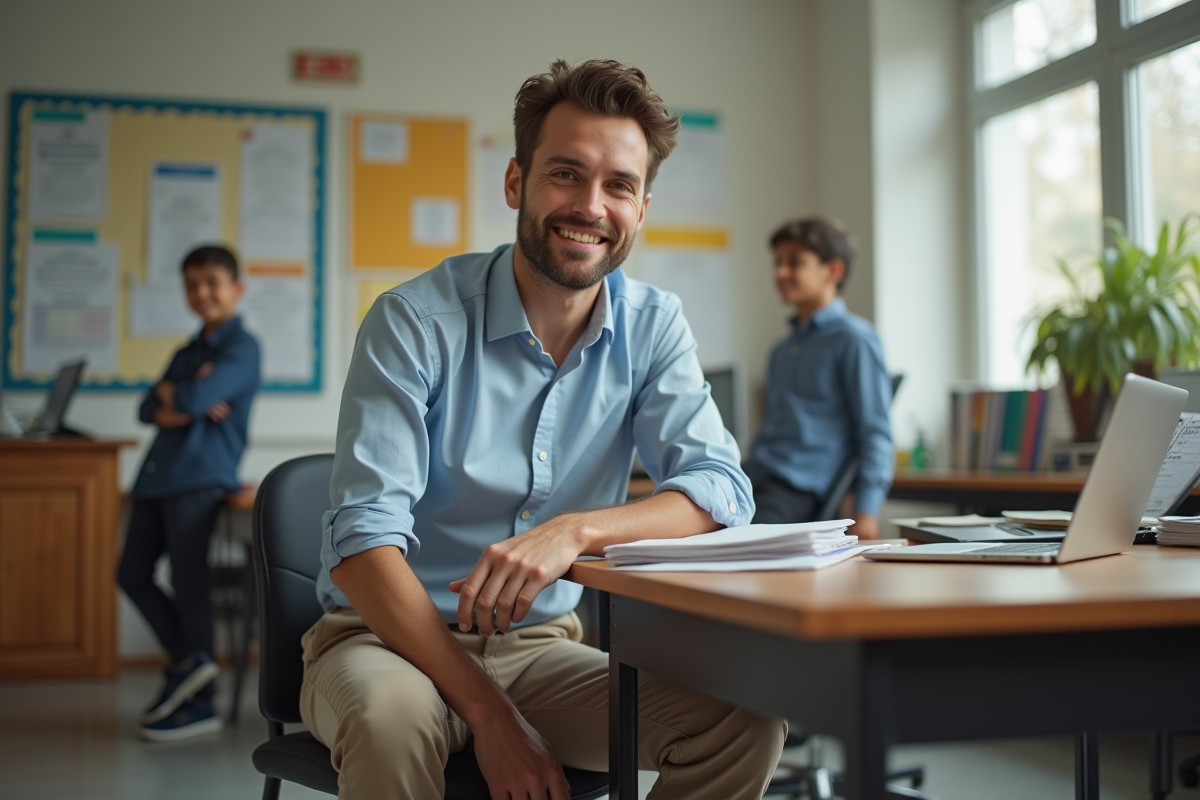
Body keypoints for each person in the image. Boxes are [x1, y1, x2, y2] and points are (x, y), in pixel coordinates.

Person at [304, 60, 786, 800]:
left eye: (618, 185)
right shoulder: (414, 321)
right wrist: (491, 716)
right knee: (391, 721)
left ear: (642, 207)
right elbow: (363, 546)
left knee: (744, 723)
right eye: (566, 174)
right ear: (515, 184)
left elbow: (719, 490)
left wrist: (574, 532)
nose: (590, 205)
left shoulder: (654, 326)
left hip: (537, 653)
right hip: (386, 643)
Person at [117, 245, 261, 742]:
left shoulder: (243, 348)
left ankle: (201, 702)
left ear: (236, 289)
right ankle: (190, 661)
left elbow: (196, 398)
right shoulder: (187, 351)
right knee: (130, 573)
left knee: (188, 579)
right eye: (192, 284)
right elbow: (144, 406)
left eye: (212, 283)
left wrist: (181, 395)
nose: (202, 293)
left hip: (200, 477)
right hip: (157, 477)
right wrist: (178, 396)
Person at [744, 217, 894, 537]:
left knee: (729, 547)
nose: (780, 273)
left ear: (833, 271)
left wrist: (866, 511)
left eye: (795, 263)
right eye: (778, 262)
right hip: (752, 480)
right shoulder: (780, 351)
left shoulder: (854, 339)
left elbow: (875, 433)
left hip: (795, 491)